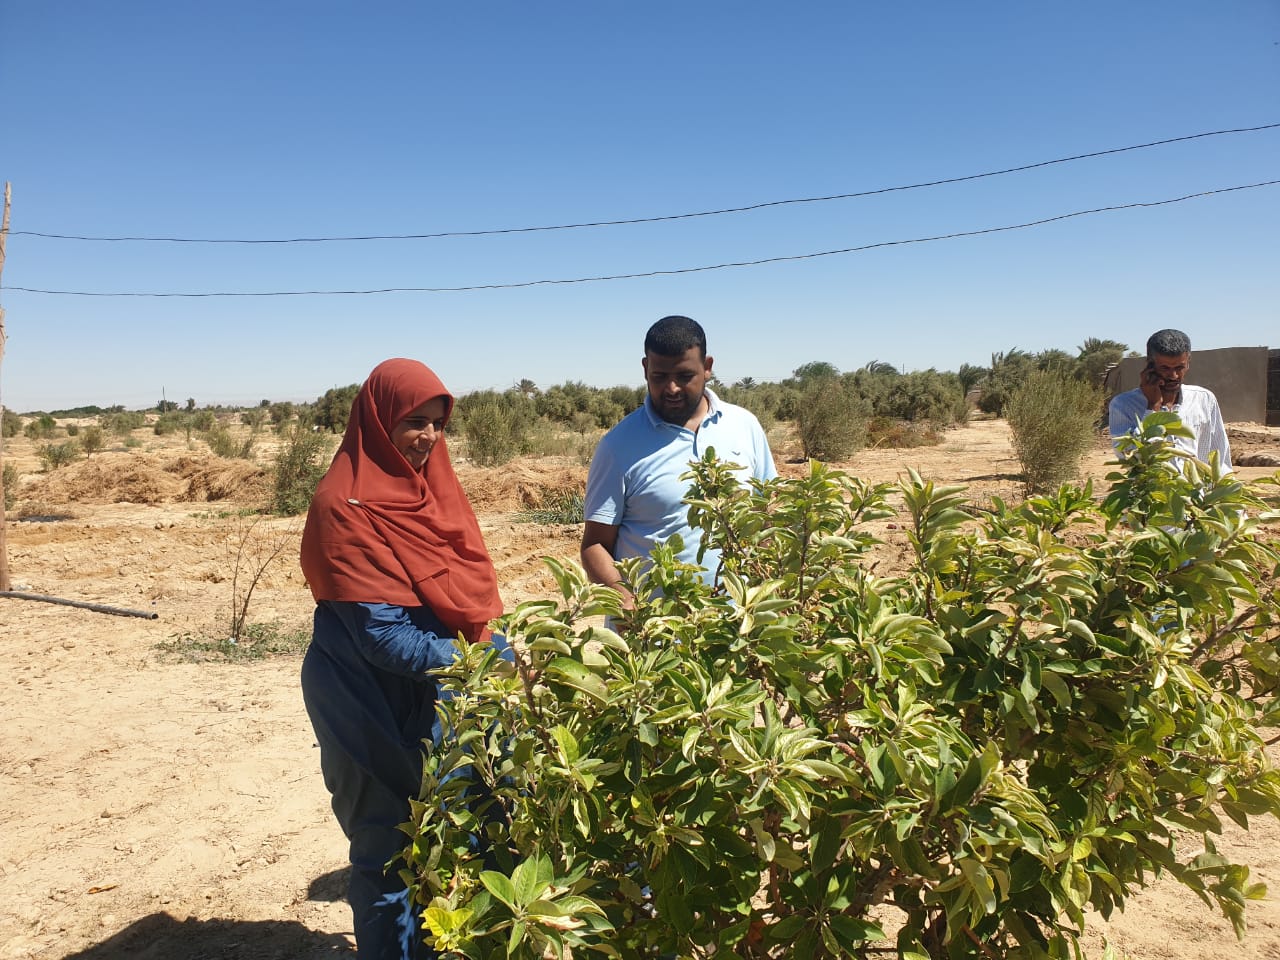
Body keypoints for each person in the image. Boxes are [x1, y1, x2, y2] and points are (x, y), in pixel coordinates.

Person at [299, 358, 503, 960]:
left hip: (427, 688)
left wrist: (491, 646)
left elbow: (460, 593)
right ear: (378, 419)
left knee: (455, 827)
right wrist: (489, 662)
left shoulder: (427, 493)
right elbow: (383, 639)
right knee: (385, 849)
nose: (428, 438)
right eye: (414, 422)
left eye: (438, 424)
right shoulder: (345, 505)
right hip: (361, 695)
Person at [581, 315, 777, 604]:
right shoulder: (617, 446)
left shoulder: (744, 426)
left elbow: (767, 515)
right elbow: (595, 544)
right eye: (659, 377)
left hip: (738, 631)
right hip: (654, 635)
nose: (671, 388)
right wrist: (625, 601)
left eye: (685, 376)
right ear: (646, 368)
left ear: (707, 367)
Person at [1108, 328, 1231, 468]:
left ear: (1188, 362)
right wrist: (1153, 407)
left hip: (1196, 490)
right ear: (1149, 365)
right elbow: (1130, 455)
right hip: (1150, 490)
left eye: (1179, 368)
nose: (1174, 376)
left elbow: (1220, 458)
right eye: (1165, 368)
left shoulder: (1204, 399)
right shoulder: (1123, 405)